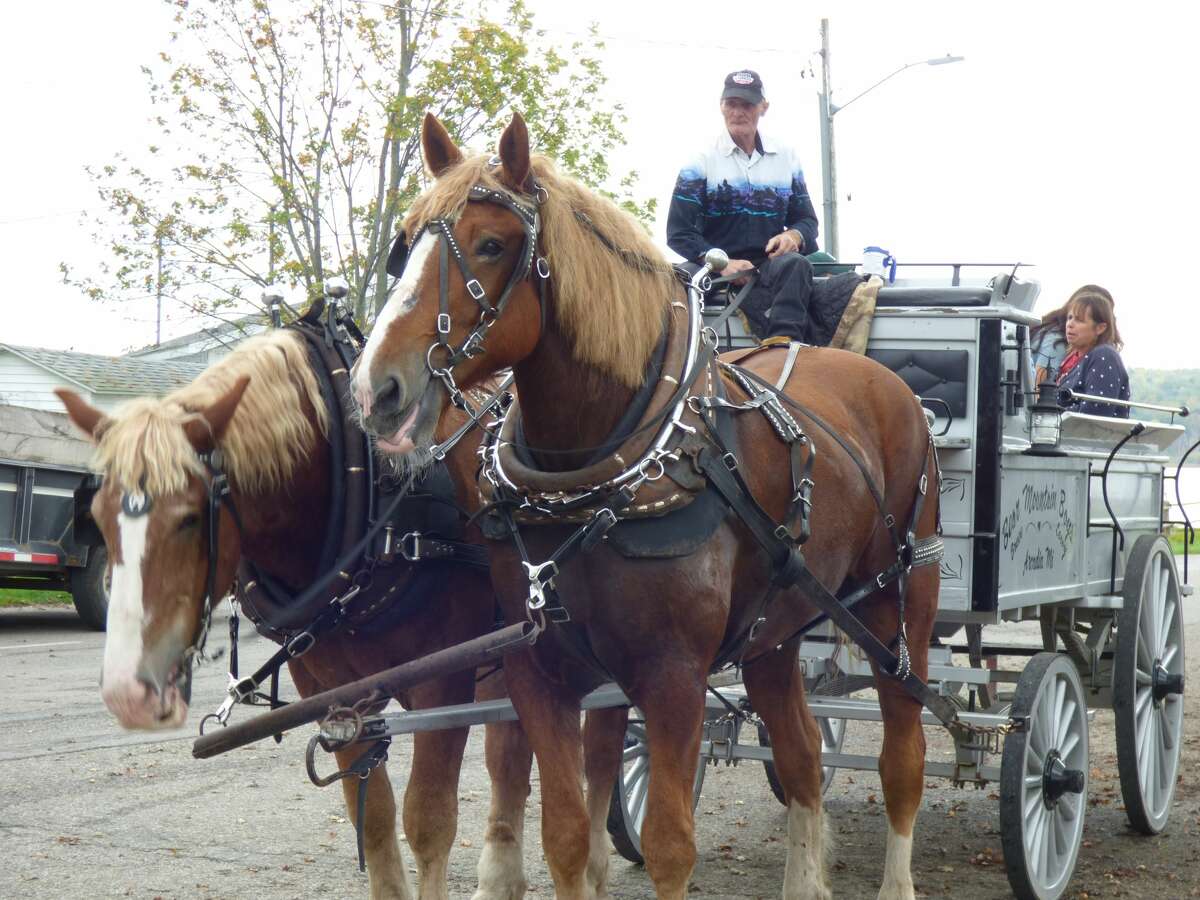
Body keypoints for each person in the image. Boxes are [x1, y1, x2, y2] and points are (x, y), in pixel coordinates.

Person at [666, 69, 820, 341]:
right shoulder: (700, 159)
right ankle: (677, 365)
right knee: (676, 282)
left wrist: (792, 236)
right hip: (711, 264)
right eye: (731, 104)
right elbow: (678, 232)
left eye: (747, 105)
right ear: (721, 106)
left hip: (769, 264)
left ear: (764, 107)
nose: (738, 112)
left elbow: (807, 221)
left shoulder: (786, 156)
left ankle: (784, 348)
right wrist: (722, 263)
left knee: (796, 265)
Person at [1056, 291, 1129, 418]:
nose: (1070, 324)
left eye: (1079, 320)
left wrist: (1050, 413)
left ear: (1100, 328)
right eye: (1070, 317)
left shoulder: (1104, 356)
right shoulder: (1078, 358)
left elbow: (1096, 411)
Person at [1031, 284, 1115, 383]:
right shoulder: (1058, 343)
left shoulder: (1056, 334)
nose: (1070, 324)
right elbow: (1039, 390)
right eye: (1071, 318)